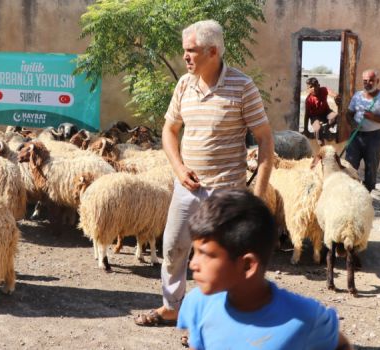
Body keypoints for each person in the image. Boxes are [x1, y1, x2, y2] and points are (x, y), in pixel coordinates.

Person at [134, 19, 274, 326]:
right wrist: (179, 168)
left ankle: (210, 322)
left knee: (217, 259)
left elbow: (264, 138)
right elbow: (170, 130)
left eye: (191, 51)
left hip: (225, 192)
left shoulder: (242, 87)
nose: (185, 57)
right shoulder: (184, 84)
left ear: (212, 51)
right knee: (173, 248)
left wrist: (258, 196)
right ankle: (172, 307)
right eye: (184, 50)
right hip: (187, 188)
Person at [177, 189, 352, 350]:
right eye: (195, 252)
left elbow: (341, 346)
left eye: (205, 254)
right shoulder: (197, 303)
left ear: (247, 265)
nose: (193, 264)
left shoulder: (305, 317)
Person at [345, 69, 380, 192]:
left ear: (377, 81)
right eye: (365, 80)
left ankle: (367, 193)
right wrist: (352, 123)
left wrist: (373, 117)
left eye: (371, 80)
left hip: (374, 137)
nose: (368, 83)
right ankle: (350, 192)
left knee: (371, 168)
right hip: (356, 136)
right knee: (350, 165)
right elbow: (349, 114)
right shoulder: (357, 96)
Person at [304, 77, 340, 146]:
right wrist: (306, 129)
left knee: (336, 116)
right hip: (315, 117)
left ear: (319, 85)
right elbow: (307, 115)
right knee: (317, 129)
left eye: (315, 86)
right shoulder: (309, 100)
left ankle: (326, 128)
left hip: (326, 112)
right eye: (311, 87)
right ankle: (321, 144)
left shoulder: (324, 90)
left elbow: (333, 94)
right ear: (308, 89)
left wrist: (336, 97)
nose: (314, 88)